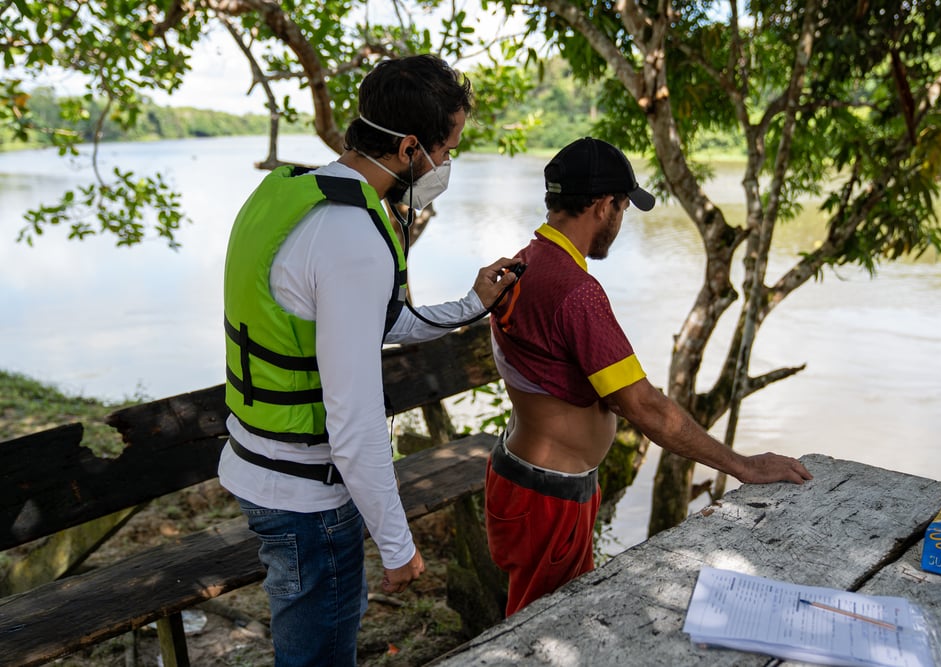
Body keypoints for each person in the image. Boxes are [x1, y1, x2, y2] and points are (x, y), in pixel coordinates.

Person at [218, 54, 521, 666]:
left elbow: (370, 322)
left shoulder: (291, 194)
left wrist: (471, 304)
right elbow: (353, 420)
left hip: (256, 463)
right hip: (308, 497)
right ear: (411, 146)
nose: (447, 163)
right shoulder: (353, 236)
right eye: (448, 145)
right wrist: (397, 544)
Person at [486, 137, 813, 617]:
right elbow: (645, 407)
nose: (620, 223)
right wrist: (742, 465)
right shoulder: (575, 292)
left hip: (523, 478)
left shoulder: (526, 260)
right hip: (548, 499)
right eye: (622, 208)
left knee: (533, 621)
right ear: (602, 206)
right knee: (539, 635)